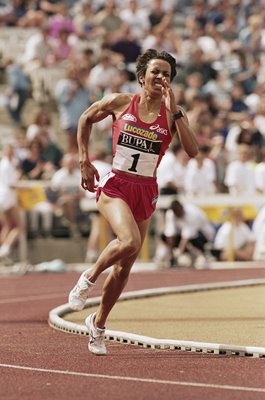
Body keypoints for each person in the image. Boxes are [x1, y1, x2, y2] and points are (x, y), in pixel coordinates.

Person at [68, 48, 199, 355]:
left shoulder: (172, 115)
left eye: (166, 74)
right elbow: (86, 118)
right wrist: (84, 161)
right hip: (116, 184)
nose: (161, 77)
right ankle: (87, 279)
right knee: (129, 241)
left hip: (146, 191)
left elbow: (192, 151)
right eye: (156, 71)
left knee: (125, 268)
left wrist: (176, 109)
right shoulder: (121, 102)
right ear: (142, 77)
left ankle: (98, 325)